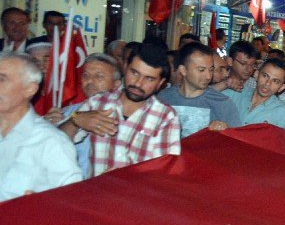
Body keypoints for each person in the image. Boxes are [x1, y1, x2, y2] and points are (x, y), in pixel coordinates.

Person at [59, 42, 181, 177]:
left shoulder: (165, 117)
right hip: (94, 194)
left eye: (149, 79)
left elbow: (166, 171)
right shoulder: (97, 103)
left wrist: (126, 176)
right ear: (125, 68)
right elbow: (56, 143)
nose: (138, 83)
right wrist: (75, 121)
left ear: (160, 83)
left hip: (136, 196)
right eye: (134, 73)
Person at [0, 53, 81, 200]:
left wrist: (41, 205)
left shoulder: (51, 142)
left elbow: (73, 204)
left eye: (1, 79)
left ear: (29, 89)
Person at [44, 53, 122, 178]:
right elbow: (48, 151)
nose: (90, 81)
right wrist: (47, 127)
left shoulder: (123, 115)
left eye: (99, 76)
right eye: (86, 75)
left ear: (116, 84)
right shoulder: (67, 113)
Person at [155, 42, 241, 138]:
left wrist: (225, 132)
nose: (208, 76)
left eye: (211, 70)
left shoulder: (223, 103)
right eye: (201, 70)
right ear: (183, 70)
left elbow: (236, 143)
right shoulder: (162, 99)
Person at [223, 58, 285, 131]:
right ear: (256, 75)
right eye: (265, 76)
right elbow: (210, 99)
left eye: (275, 81)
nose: (268, 83)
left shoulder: (282, 112)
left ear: (281, 87)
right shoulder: (235, 92)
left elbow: (281, 140)